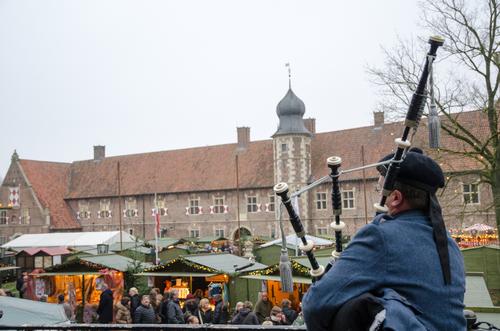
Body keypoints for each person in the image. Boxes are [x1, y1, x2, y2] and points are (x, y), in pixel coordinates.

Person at [302, 149, 466, 331]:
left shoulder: (380, 236)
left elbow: (315, 304)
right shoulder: (449, 242)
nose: (379, 194)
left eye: (380, 189)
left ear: (396, 198)